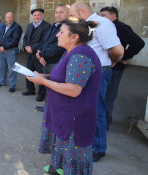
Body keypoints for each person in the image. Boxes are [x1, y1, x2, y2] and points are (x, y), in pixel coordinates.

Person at [26, 17, 102, 175]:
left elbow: (73, 89)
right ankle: (58, 169)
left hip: (75, 119)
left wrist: (43, 82)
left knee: (73, 159)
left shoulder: (81, 56)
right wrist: (43, 77)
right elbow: (64, 77)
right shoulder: (72, 52)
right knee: (62, 150)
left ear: (74, 37)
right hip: (65, 115)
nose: (57, 35)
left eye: (61, 32)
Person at [69, 2, 124, 162]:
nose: (71, 18)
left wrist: (111, 62)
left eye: (73, 15)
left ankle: (98, 148)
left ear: (83, 11)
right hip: (86, 72)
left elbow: (117, 49)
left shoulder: (102, 23)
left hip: (97, 72)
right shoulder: (89, 24)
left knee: (96, 111)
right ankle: (85, 141)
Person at [100, 6, 145, 129]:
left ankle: (105, 123)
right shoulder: (105, 27)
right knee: (102, 94)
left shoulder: (120, 28)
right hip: (105, 65)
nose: (101, 17)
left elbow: (139, 43)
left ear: (113, 16)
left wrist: (124, 56)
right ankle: (103, 120)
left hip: (115, 68)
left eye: (104, 15)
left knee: (109, 95)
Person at [35, 4, 69, 102]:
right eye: (56, 12)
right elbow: (44, 41)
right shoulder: (54, 25)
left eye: (61, 12)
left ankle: (50, 109)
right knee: (47, 87)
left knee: (54, 88)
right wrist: (39, 52)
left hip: (55, 62)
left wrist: (41, 54)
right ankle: (47, 107)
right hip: (45, 61)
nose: (58, 15)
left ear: (68, 13)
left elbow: (58, 47)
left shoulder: (67, 27)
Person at [22, 8, 51, 99]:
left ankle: (41, 94)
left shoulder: (47, 26)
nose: (36, 17)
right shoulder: (30, 25)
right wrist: (26, 46)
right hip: (29, 54)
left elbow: (45, 41)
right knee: (29, 72)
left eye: (38, 15)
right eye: (35, 15)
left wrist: (33, 48)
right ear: (33, 16)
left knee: (40, 74)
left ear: (42, 15)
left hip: (39, 55)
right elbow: (25, 37)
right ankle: (30, 89)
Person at [0, 12, 23, 93]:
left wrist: (5, 47)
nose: (9, 19)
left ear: (13, 17)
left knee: (12, 69)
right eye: (7, 17)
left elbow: (15, 40)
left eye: (10, 17)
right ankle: (2, 82)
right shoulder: (3, 26)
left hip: (11, 50)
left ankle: (12, 86)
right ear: (5, 18)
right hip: (2, 50)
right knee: (2, 67)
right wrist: (0, 46)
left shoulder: (17, 27)